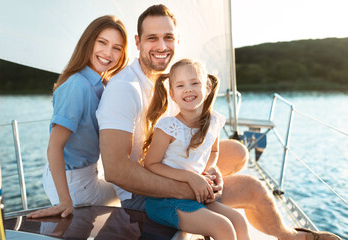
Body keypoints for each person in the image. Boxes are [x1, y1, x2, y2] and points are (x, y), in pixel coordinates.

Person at [97, 4, 341, 240]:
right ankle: (290, 237)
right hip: (144, 191)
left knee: (237, 151)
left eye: (168, 37)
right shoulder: (124, 89)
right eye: (152, 38)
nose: (161, 45)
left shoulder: (171, 83)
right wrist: (191, 186)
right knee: (251, 188)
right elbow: (116, 170)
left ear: (177, 40)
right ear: (138, 42)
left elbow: (194, 136)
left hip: (174, 168)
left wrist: (210, 171)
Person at [27, 15, 129, 219]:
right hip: (72, 183)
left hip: (85, 175)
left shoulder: (101, 84)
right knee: (131, 191)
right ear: (88, 42)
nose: (108, 53)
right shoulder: (77, 86)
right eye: (102, 42)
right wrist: (65, 202)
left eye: (117, 48)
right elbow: (54, 147)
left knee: (126, 187)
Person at [141, 59, 250, 240]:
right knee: (223, 228)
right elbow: (150, 164)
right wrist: (191, 177)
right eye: (180, 85)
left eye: (195, 83)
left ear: (207, 88)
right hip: (165, 199)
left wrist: (209, 171)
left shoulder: (213, 122)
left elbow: (213, 151)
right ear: (172, 94)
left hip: (194, 195)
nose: (188, 89)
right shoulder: (168, 127)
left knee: (239, 220)